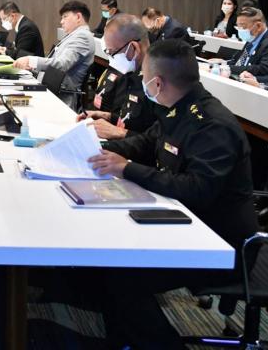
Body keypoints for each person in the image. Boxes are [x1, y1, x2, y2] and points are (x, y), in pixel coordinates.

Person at [85, 39, 256, 348]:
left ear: (158, 83)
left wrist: (127, 169)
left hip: (219, 241)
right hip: (184, 220)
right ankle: (124, 338)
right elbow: (146, 143)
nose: (142, 82)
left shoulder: (211, 125)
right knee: (106, 255)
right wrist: (99, 150)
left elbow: (197, 189)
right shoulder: (177, 108)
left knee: (122, 273)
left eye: (144, 77)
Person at [77, 14, 157, 140]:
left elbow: (163, 142)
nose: (111, 59)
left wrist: (120, 133)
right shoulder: (132, 72)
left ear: (134, 48)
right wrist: (106, 116)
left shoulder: (158, 81)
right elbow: (130, 118)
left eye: (112, 52)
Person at [13, 0, 94, 111]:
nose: (61, 21)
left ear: (78, 17)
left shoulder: (82, 37)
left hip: (61, 96)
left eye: (65, 17)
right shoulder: (74, 35)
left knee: (14, 103)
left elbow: (62, 64)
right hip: (51, 88)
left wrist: (31, 60)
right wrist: (32, 67)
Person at [227, 7, 268, 76]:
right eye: (238, 27)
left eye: (243, 27)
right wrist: (222, 64)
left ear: (258, 26)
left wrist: (229, 68)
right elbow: (238, 61)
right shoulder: (251, 38)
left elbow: (264, 69)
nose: (240, 30)